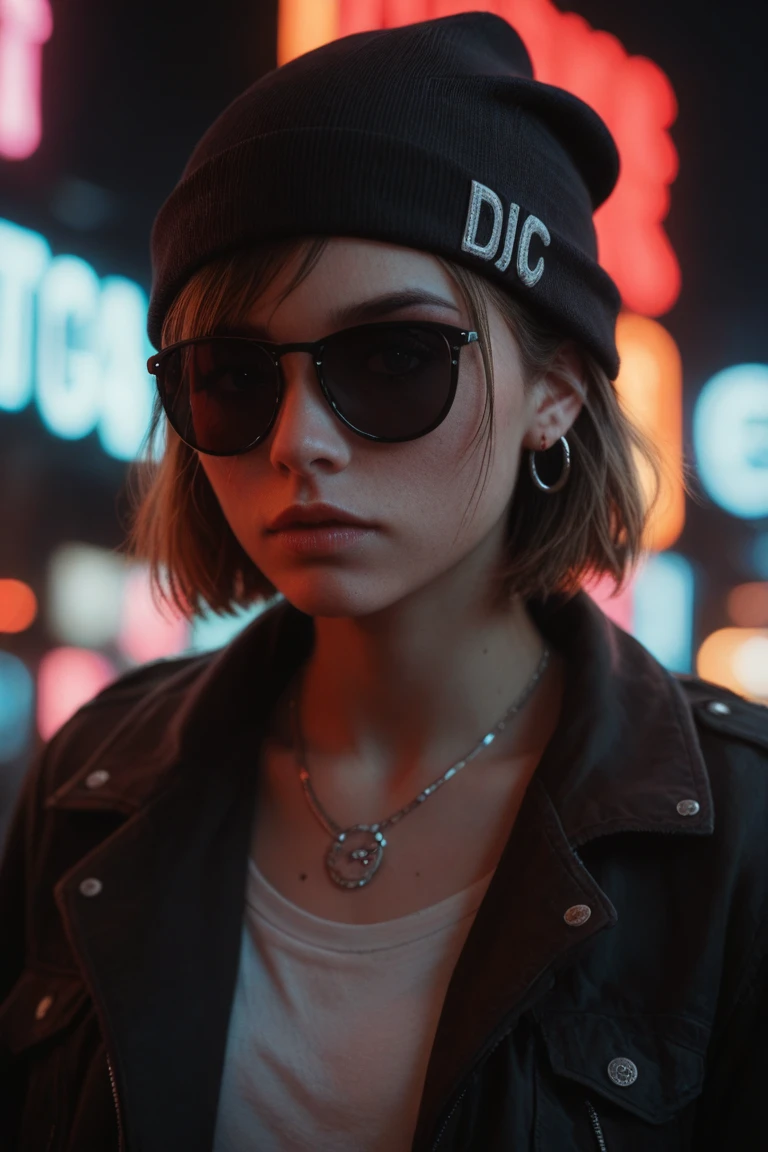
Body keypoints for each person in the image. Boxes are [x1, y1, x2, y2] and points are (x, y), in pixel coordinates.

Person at [1, 10, 767, 1152]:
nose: (300, 441)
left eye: (394, 358)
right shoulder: (93, 788)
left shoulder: (737, 836)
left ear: (555, 390)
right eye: (234, 377)